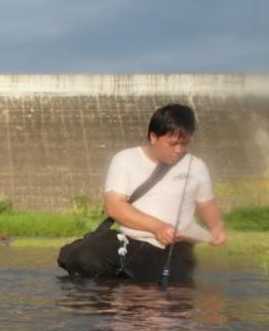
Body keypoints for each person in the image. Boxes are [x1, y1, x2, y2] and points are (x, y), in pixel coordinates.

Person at [58, 103, 227, 284]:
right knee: (81, 256)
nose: (179, 150)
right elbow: (114, 206)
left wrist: (216, 227)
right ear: (153, 136)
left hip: (173, 249)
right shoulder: (125, 160)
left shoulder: (197, 166)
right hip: (129, 242)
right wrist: (157, 227)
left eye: (184, 143)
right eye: (172, 143)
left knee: (170, 287)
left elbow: (206, 204)